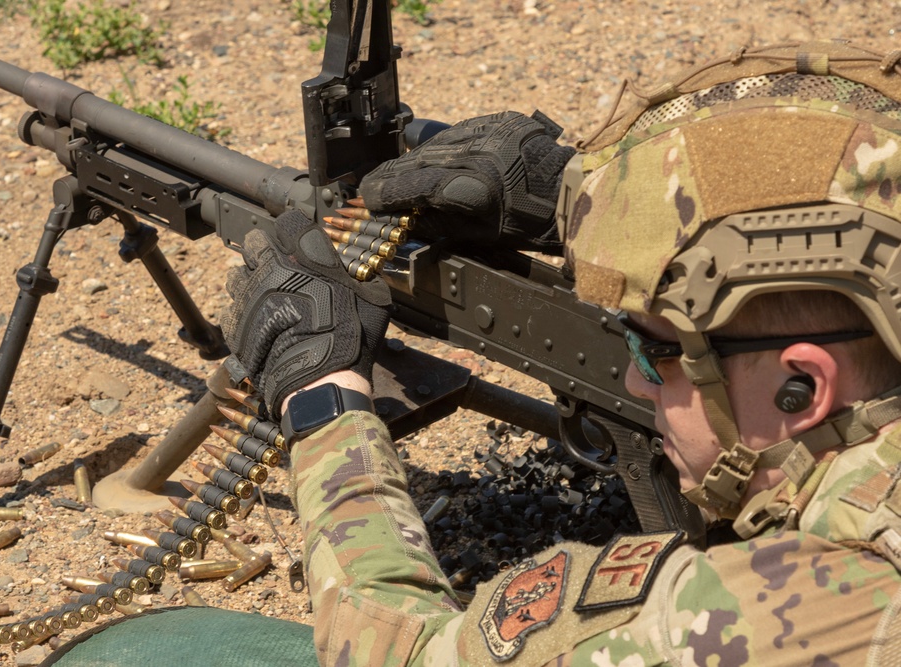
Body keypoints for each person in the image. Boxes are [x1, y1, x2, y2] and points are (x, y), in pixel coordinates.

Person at [221, 40, 901, 665]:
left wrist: (321, 394)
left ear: (802, 387)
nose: (638, 385)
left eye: (653, 349)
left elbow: (394, 648)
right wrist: (585, 208)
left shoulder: (760, 612)